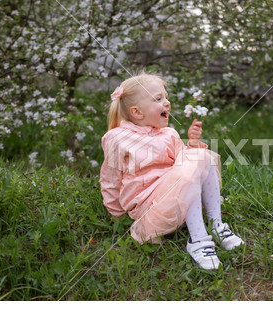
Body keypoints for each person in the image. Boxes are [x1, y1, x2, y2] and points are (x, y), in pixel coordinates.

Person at [99, 72, 244, 270]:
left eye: (166, 97)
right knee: (193, 166)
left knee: (202, 158)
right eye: (158, 99)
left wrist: (192, 143)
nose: (167, 102)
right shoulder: (117, 138)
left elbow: (185, 161)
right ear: (137, 112)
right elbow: (110, 178)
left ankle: (217, 226)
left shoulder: (168, 133)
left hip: (176, 201)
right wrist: (116, 215)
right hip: (152, 212)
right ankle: (199, 241)